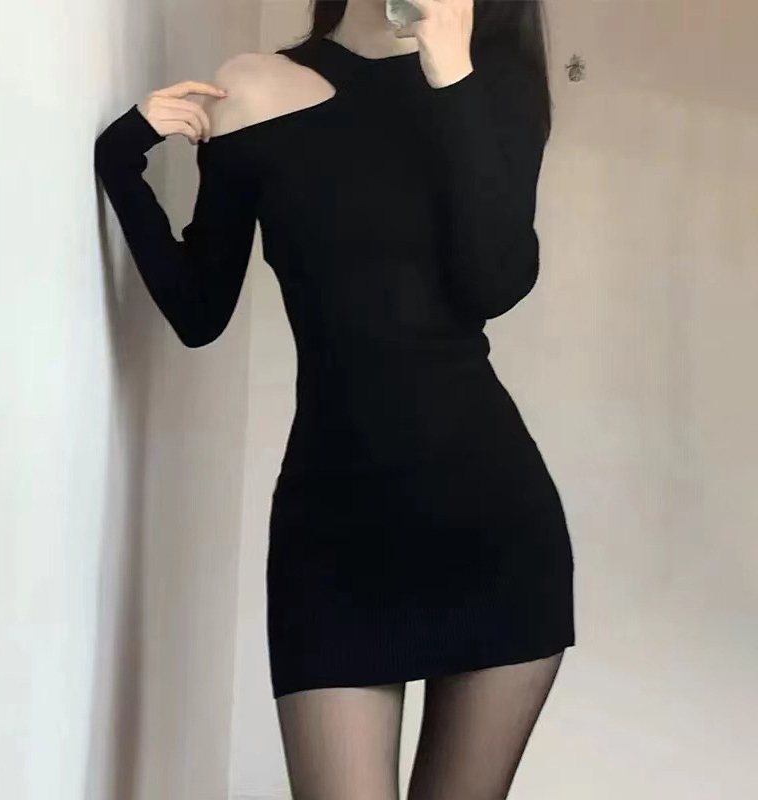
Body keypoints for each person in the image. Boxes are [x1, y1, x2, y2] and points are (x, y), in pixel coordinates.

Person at [94, 0, 575, 796]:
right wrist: (120, 158)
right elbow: (198, 310)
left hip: (490, 524)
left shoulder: (495, 84)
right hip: (333, 533)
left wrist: (451, 71)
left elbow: (495, 280)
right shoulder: (254, 86)